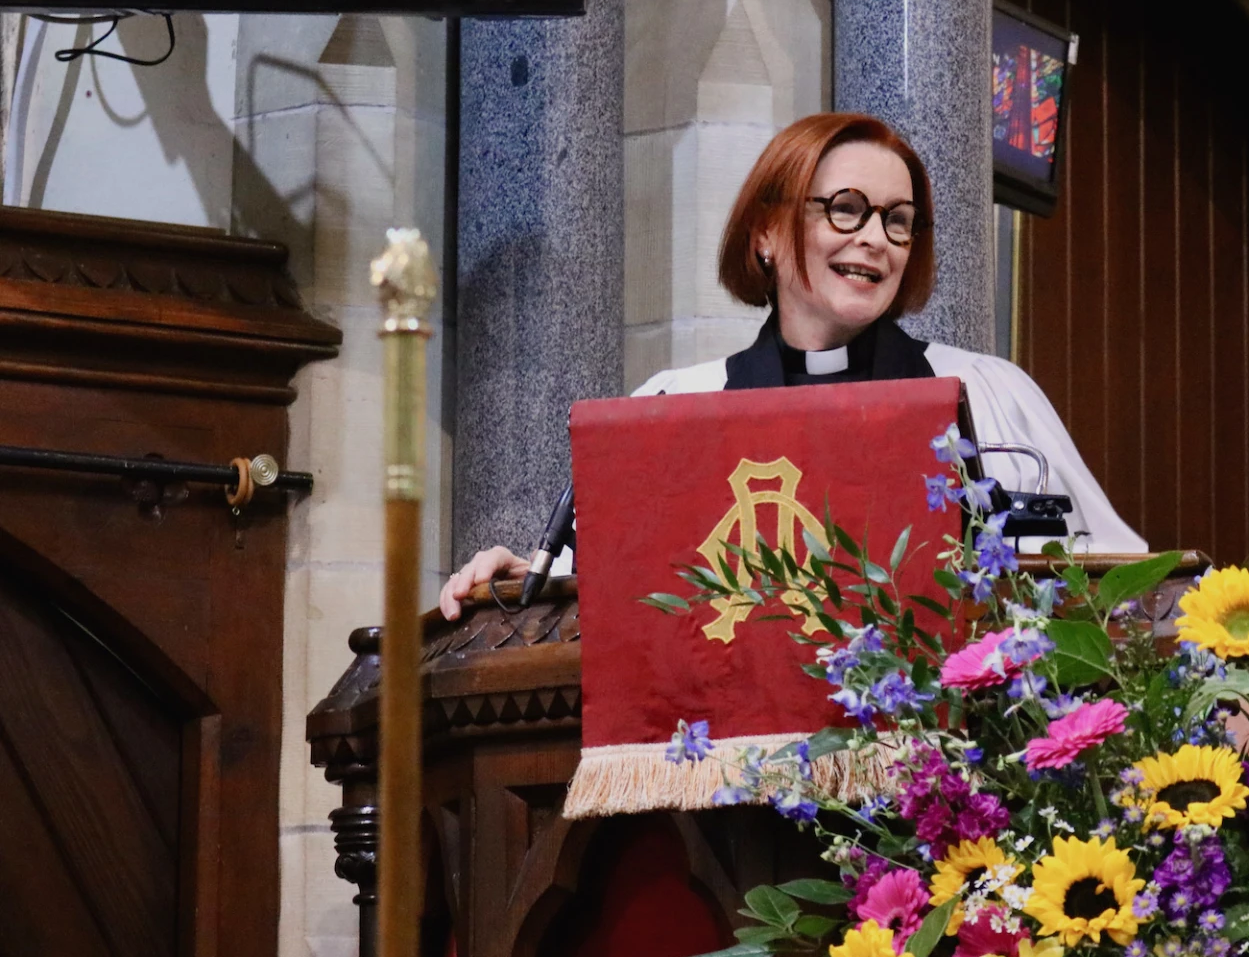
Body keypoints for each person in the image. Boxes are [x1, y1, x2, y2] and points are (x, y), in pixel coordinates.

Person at [440, 112, 1147, 619]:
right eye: (846, 210)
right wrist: (517, 582)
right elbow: (615, 592)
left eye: (898, 220)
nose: (876, 238)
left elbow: (1120, 585)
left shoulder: (989, 396)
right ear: (768, 234)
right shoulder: (677, 406)